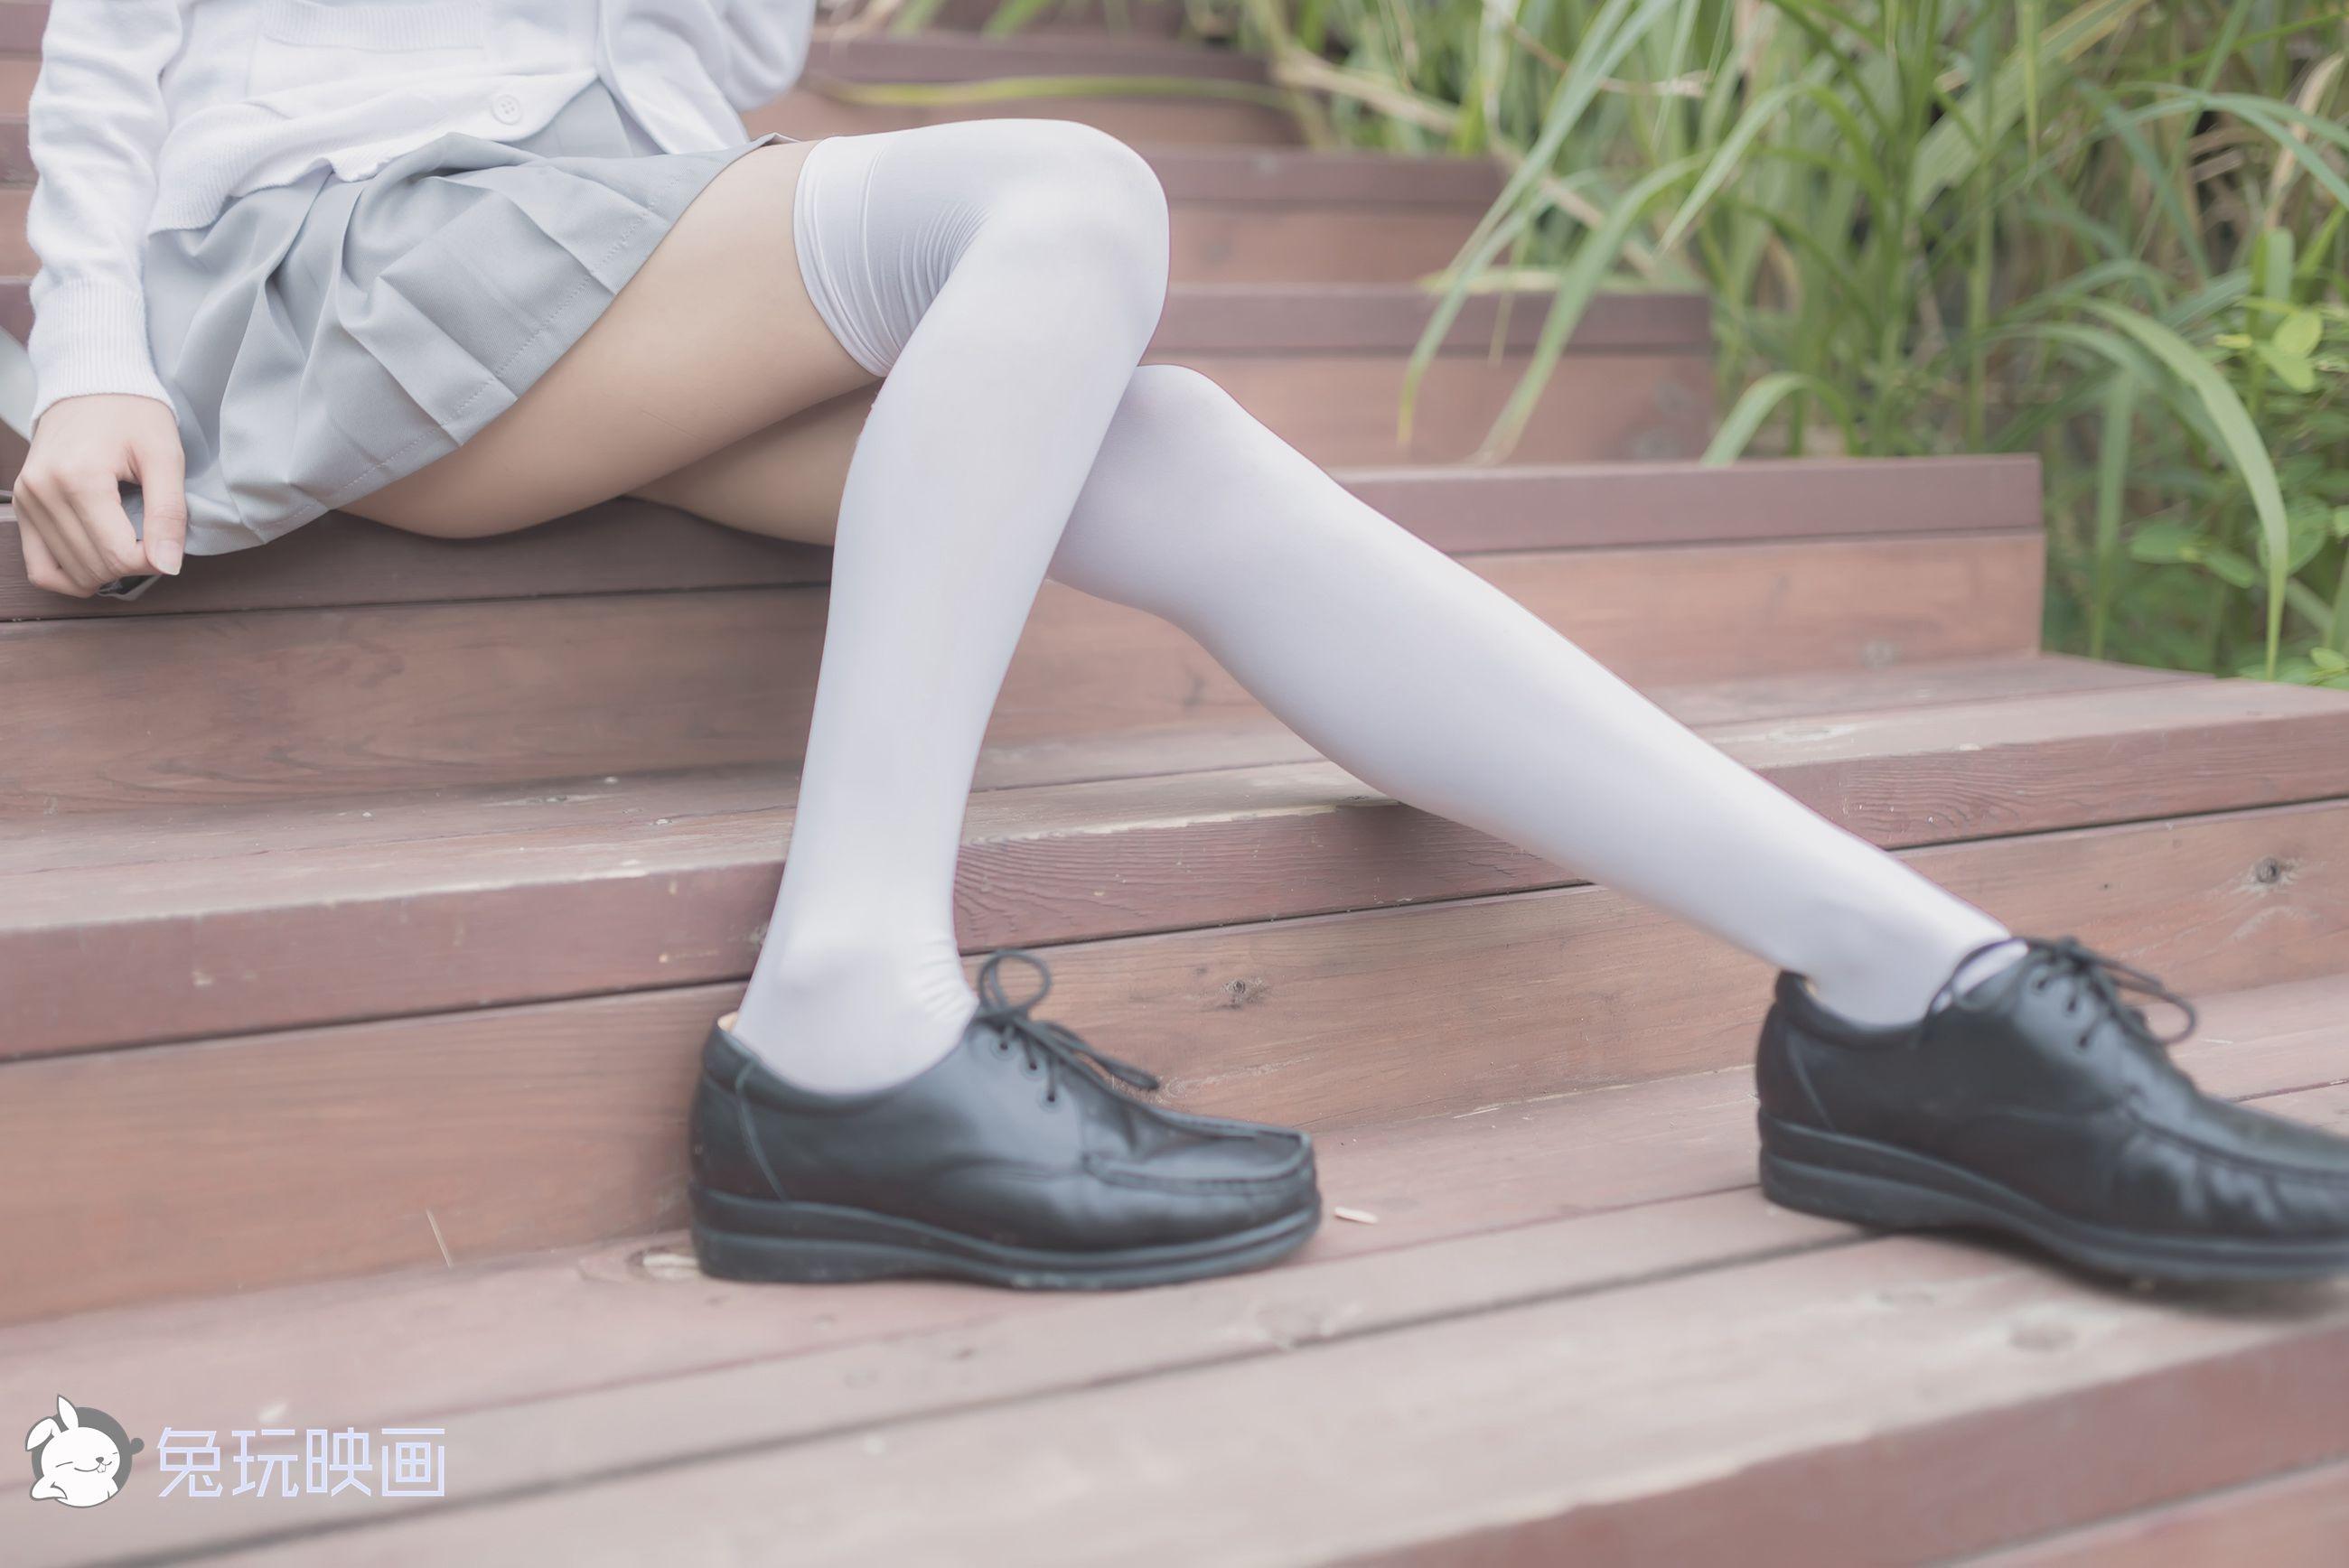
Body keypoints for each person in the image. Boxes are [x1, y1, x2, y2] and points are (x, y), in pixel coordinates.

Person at [21, 0, 2349, 1292]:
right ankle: (840, 1015)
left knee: (1189, 451)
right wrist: (87, 352)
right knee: (1071, 190)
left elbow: (708, 57)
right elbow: (120, 35)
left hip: (596, 235)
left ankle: (1909, 992)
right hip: (339, 249)